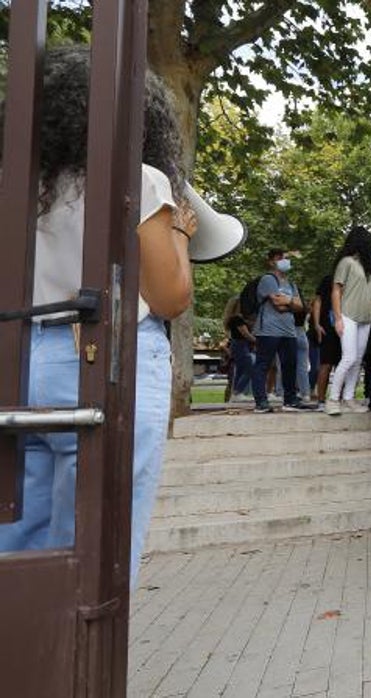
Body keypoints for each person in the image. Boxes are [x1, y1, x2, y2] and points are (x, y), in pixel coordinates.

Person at [0, 47, 195, 587]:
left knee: (22, 535)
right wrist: (179, 231)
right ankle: (78, 670)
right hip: (102, 357)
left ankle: (21, 661)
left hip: (21, 358)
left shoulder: (20, 184)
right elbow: (169, 297)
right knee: (97, 545)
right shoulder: (138, 179)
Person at [250, 249, 314, 413]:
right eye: (280, 258)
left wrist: (289, 302)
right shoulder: (268, 279)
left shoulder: (291, 284)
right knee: (263, 365)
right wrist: (291, 304)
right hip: (268, 330)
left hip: (289, 331)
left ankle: (290, 400)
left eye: (286, 258)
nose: (285, 261)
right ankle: (261, 402)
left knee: (289, 365)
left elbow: (302, 307)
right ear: (271, 262)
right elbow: (278, 304)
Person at [325, 226, 371, 415]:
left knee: (357, 360)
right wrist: (338, 318)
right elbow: (336, 290)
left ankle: (349, 398)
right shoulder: (346, 262)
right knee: (348, 358)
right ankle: (333, 399)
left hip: (366, 318)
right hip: (347, 316)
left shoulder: (368, 267)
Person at [311, 273, 341, 408]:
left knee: (344, 364)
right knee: (326, 364)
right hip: (328, 327)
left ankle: (339, 398)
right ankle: (321, 400)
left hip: (347, 327)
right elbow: (318, 300)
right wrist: (317, 324)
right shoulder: (329, 278)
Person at [223, 296, 256, 403]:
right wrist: (257, 341)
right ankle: (238, 391)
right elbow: (245, 333)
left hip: (238, 345)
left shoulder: (233, 319)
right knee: (250, 368)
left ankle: (235, 393)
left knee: (241, 370)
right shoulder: (237, 319)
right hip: (240, 345)